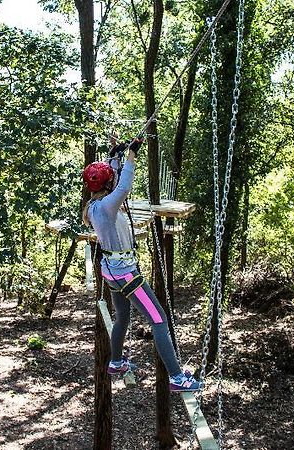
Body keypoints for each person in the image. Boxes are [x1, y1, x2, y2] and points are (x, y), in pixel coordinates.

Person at [82, 136, 202, 392]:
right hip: (126, 274)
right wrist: (131, 158)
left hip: (111, 273)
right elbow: (122, 186)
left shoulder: (93, 206)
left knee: (123, 316)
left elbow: (109, 178)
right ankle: (177, 378)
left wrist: (115, 154)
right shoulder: (109, 205)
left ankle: (115, 362)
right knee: (158, 320)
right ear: (108, 184)